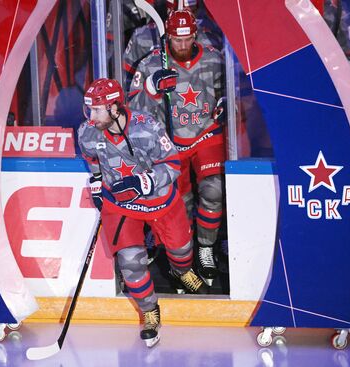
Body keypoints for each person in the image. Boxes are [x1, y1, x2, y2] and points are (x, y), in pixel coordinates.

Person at [78, 78, 207, 348]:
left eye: (97, 110)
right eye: (89, 109)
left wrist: (144, 182)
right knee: (130, 263)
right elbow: (93, 159)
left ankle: (181, 270)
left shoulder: (147, 127)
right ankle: (150, 311)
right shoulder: (88, 132)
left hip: (162, 202)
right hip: (122, 207)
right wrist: (98, 184)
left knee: (182, 250)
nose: (91, 116)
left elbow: (173, 164)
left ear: (115, 108)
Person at [129, 9, 225, 287]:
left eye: (187, 39)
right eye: (176, 40)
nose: (182, 46)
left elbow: (232, 92)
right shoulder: (151, 64)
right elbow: (131, 109)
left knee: (213, 189)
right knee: (180, 204)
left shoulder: (212, 58)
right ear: (167, 37)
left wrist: (224, 103)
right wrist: (151, 86)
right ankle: (184, 256)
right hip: (170, 142)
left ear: (195, 35)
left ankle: (206, 247)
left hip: (206, 133)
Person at [123, 0, 222, 92]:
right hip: (159, 107)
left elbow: (223, 86)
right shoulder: (143, 37)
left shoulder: (210, 37)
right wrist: (150, 87)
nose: (184, 18)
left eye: (191, 10)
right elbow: (128, 83)